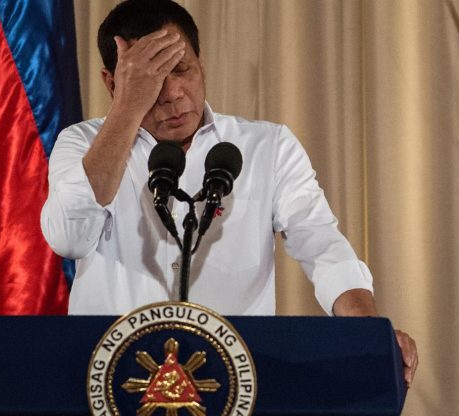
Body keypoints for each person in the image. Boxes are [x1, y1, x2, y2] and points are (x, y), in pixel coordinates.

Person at [40, 0, 417, 386]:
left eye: (181, 69)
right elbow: (70, 237)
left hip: (232, 382)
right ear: (111, 83)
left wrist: (369, 332)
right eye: (150, 80)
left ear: (201, 64)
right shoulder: (80, 144)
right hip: (111, 381)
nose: (172, 93)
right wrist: (127, 110)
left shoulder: (267, 146)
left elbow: (320, 243)